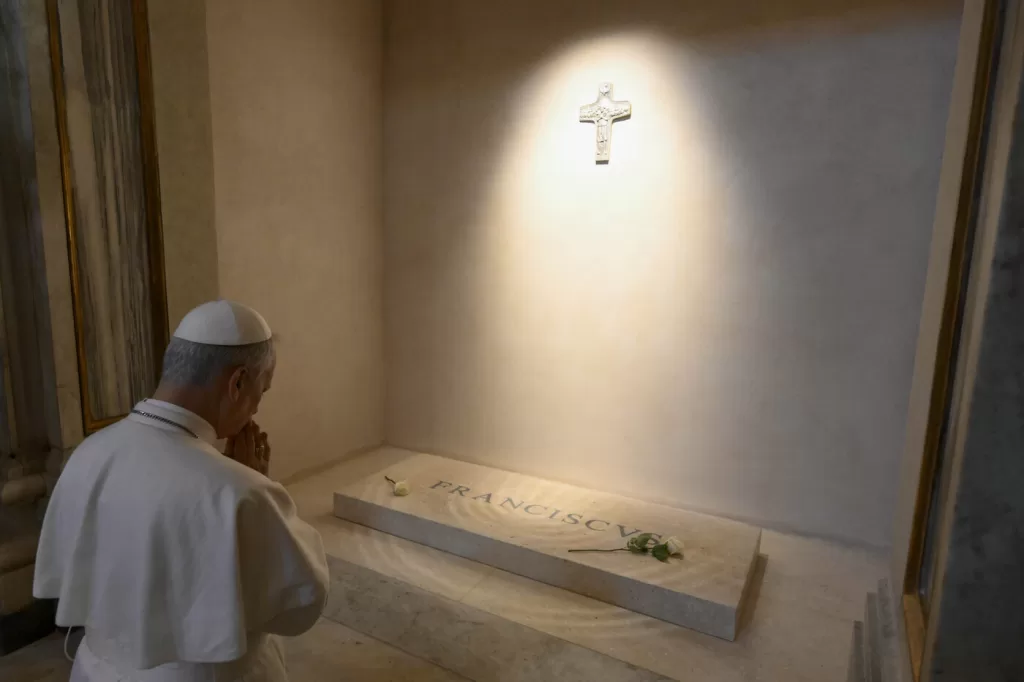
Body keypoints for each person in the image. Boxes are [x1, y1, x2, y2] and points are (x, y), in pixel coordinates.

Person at [34, 301, 329, 682]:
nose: (255, 409)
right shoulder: (241, 492)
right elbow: (301, 603)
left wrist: (238, 478)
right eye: (262, 390)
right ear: (238, 383)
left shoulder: (88, 454)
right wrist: (255, 482)